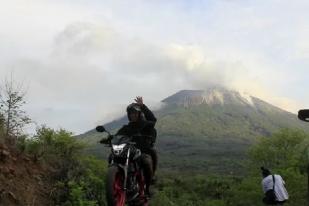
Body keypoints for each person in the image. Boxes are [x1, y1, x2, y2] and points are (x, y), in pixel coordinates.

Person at [102, 96, 157, 196]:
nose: (133, 115)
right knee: (112, 156)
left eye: (135, 113)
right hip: (128, 150)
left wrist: (143, 106)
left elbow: (153, 120)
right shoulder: (126, 128)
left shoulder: (145, 124)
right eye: (131, 113)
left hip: (141, 151)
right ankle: (117, 180)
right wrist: (108, 139)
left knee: (147, 160)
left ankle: (148, 188)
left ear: (139, 114)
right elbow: (117, 136)